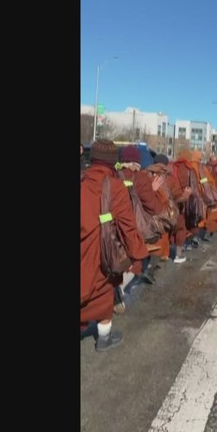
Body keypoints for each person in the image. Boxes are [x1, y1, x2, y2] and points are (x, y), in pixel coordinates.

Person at [80, 140, 149, 352]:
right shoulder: (115, 187)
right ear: (112, 163)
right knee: (102, 296)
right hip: (102, 252)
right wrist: (138, 252)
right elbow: (127, 227)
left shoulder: (82, 181)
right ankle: (103, 339)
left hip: (84, 248)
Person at [118, 145, 166, 283]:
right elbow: (153, 207)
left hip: (113, 225)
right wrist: (153, 191)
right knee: (134, 257)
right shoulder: (140, 178)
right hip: (133, 226)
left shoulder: (114, 175)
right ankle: (123, 288)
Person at [150, 153, 190, 264]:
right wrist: (186, 195)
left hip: (150, 212)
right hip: (166, 213)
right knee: (180, 226)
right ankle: (178, 255)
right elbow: (178, 198)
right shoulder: (170, 179)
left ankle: (162, 254)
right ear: (166, 165)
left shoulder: (146, 174)